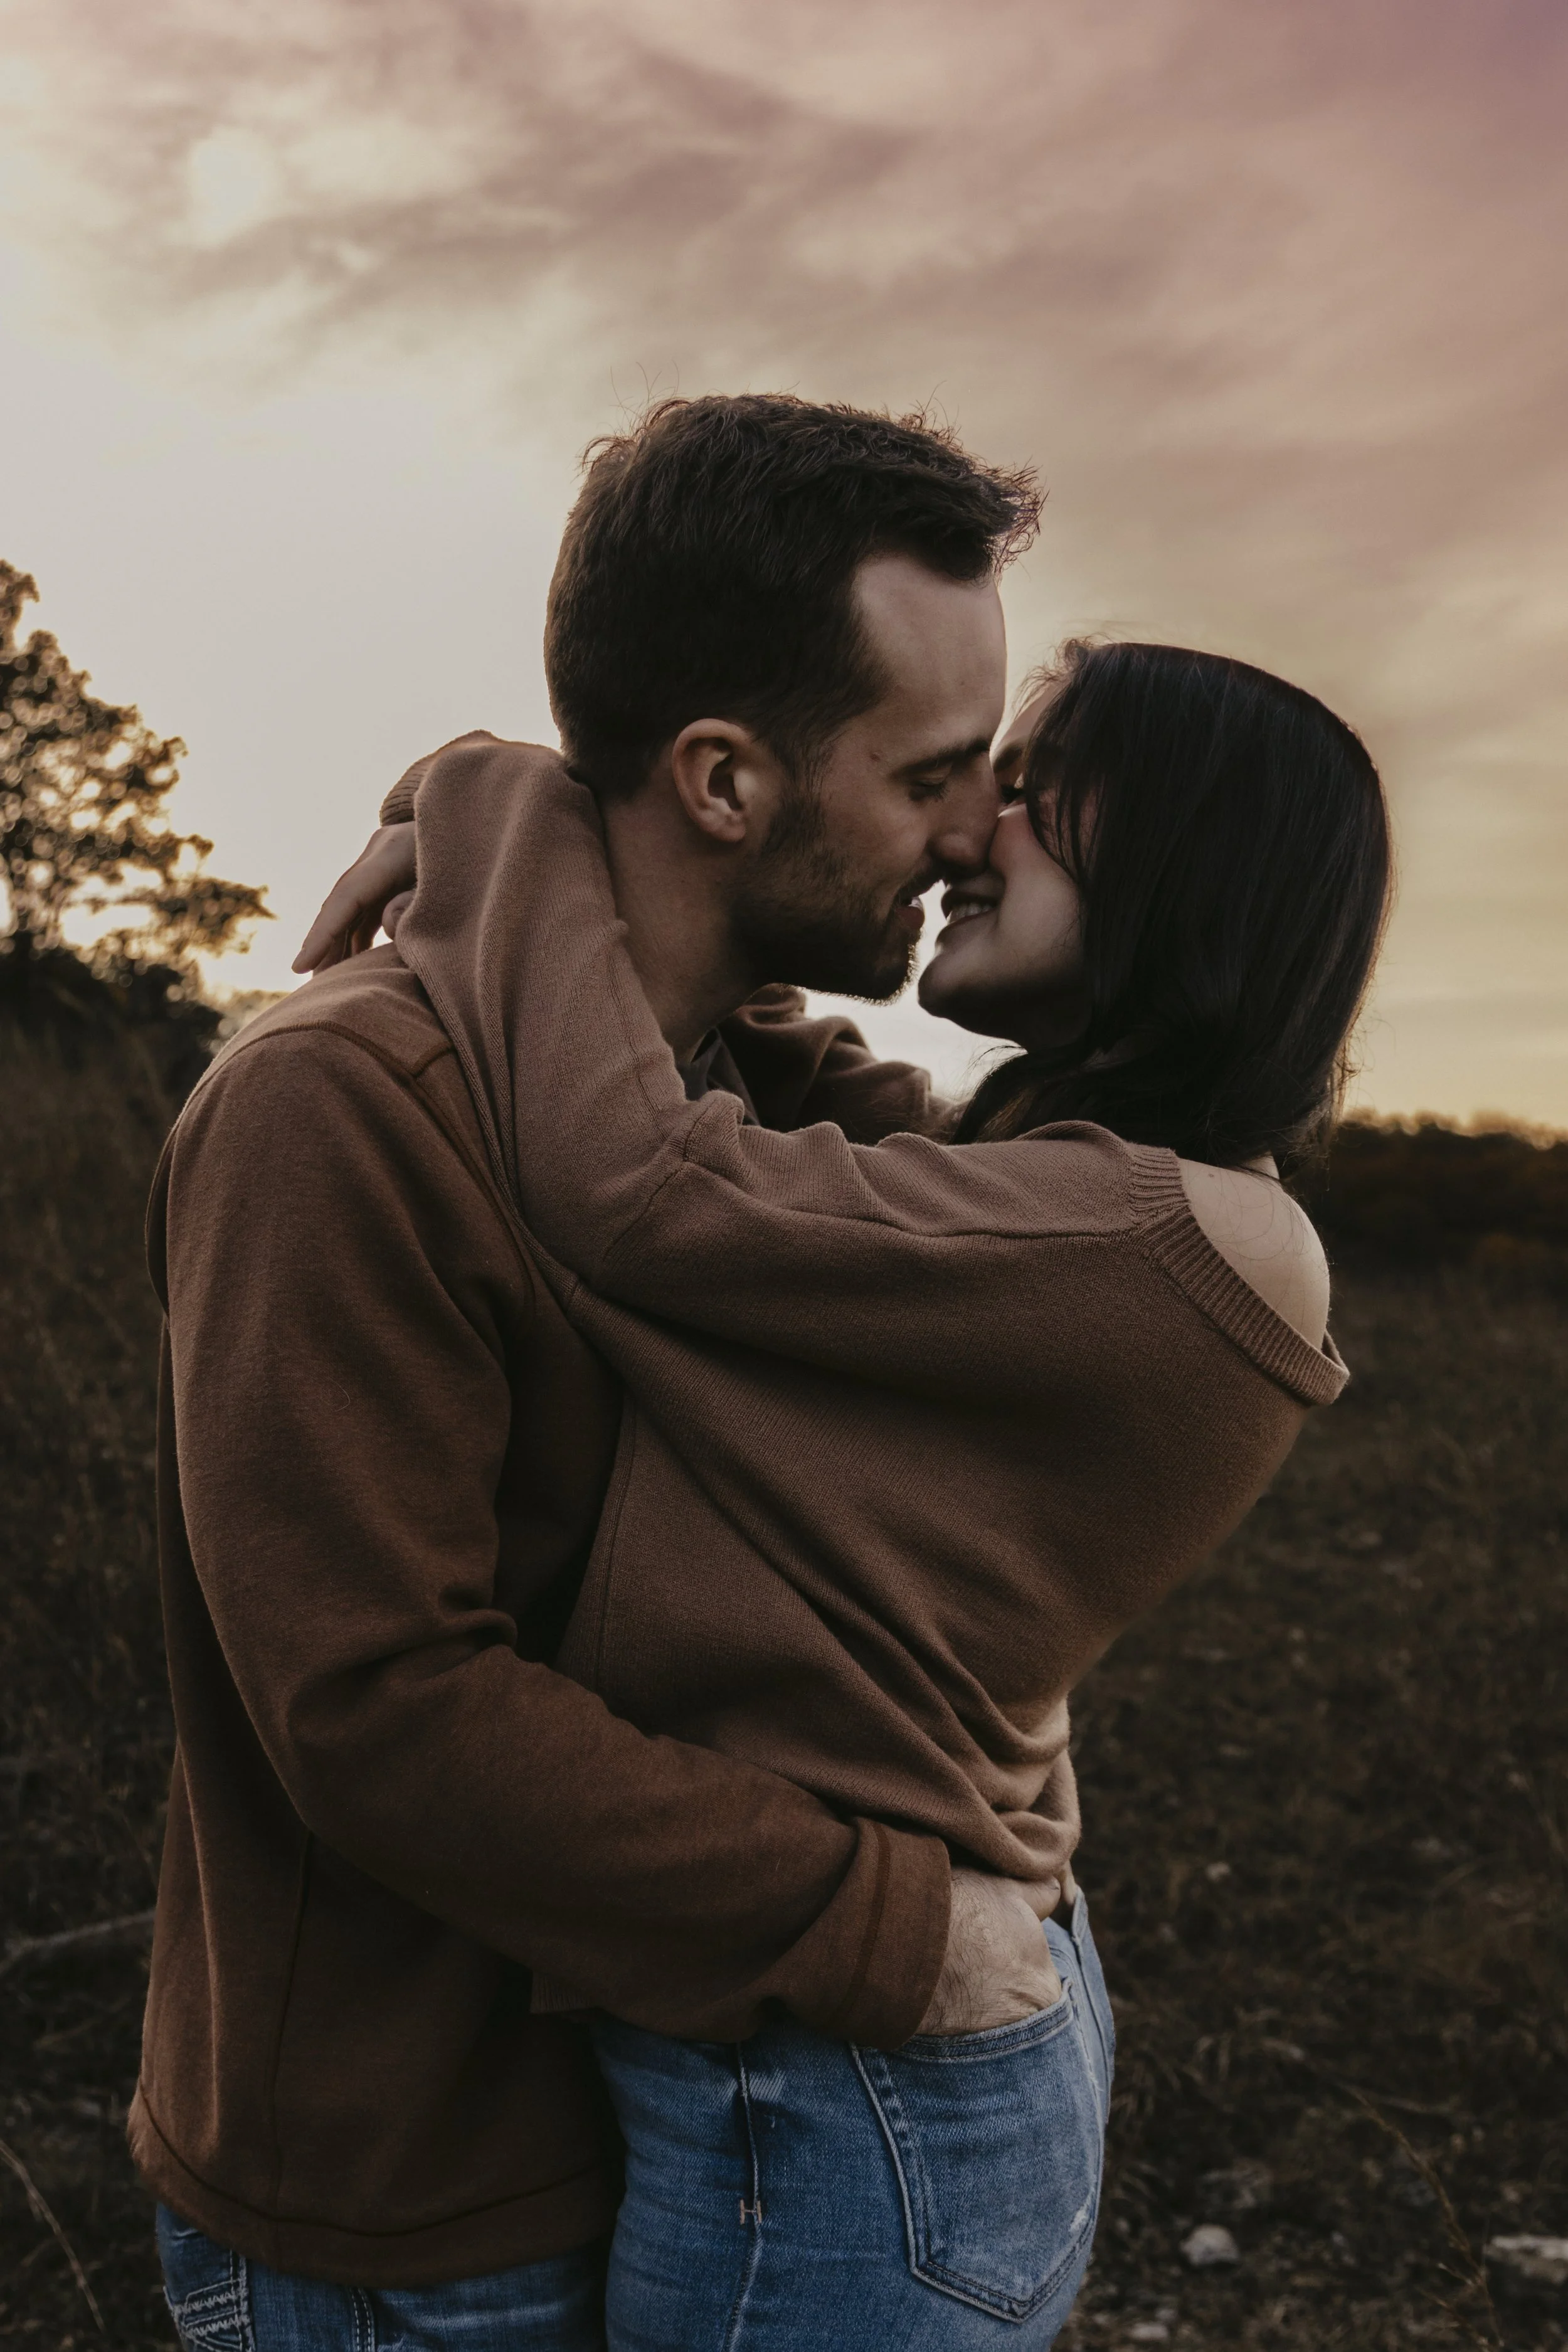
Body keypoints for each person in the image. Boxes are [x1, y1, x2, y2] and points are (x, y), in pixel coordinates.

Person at [296, 630, 1389, 2347]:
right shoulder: (1090, 1187)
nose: (967, 831)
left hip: (845, 2086)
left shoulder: (1169, 1235)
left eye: (1025, 784)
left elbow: (640, 1185)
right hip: (827, 2053)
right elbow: (805, 1101)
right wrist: (662, 883)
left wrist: (498, 798)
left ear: (1188, 853)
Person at [139, 396, 1072, 2352]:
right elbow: (378, 1706)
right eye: (935, 773)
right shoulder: (336, 1112)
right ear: (722, 779)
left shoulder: (745, 1098)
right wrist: (886, 1922)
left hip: (681, 2138)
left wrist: (489, 797)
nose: (979, 828)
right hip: (412, 2219)